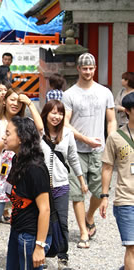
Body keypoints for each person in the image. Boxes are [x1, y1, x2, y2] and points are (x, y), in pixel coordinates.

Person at [0, 88, 43, 269]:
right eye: (12, 99)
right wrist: (7, 140)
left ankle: (16, 248)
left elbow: (40, 129)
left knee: (20, 213)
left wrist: (30, 103)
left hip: (20, 173)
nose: (15, 104)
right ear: (4, 101)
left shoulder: (24, 123)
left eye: (19, 101)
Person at [62, 53, 117, 245]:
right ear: (78, 69)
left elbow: (111, 121)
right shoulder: (69, 94)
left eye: (91, 68)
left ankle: (89, 215)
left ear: (95, 69)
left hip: (99, 149)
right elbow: (65, 122)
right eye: (84, 68)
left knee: (100, 190)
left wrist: (112, 141)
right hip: (75, 149)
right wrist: (84, 138)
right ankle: (83, 232)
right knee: (77, 193)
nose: (88, 72)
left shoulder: (105, 92)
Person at [40, 100, 87, 268]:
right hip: (41, 187)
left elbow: (73, 157)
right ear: (45, 114)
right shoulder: (39, 133)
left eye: (60, 113)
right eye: (53, 112)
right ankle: (42, 254)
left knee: (62, 221)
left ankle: (62, 256)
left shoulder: (67, 133)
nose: (57, 117)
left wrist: (81, 180)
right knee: (41, 220)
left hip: (61, 184)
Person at [4, 116, 52, 270]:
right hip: (18, 228)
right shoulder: (16, 160)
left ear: (21, 138)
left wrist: (39, 246)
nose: (3, 137)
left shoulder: (35, 168)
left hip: (31, 235)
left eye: (8, 133)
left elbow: (45, 208)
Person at [100, 92, 134, 270]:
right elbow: (107, 167)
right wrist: (104, 196)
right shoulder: (116, 137)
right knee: (132, 246)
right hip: (126, 199)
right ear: (128, 111)